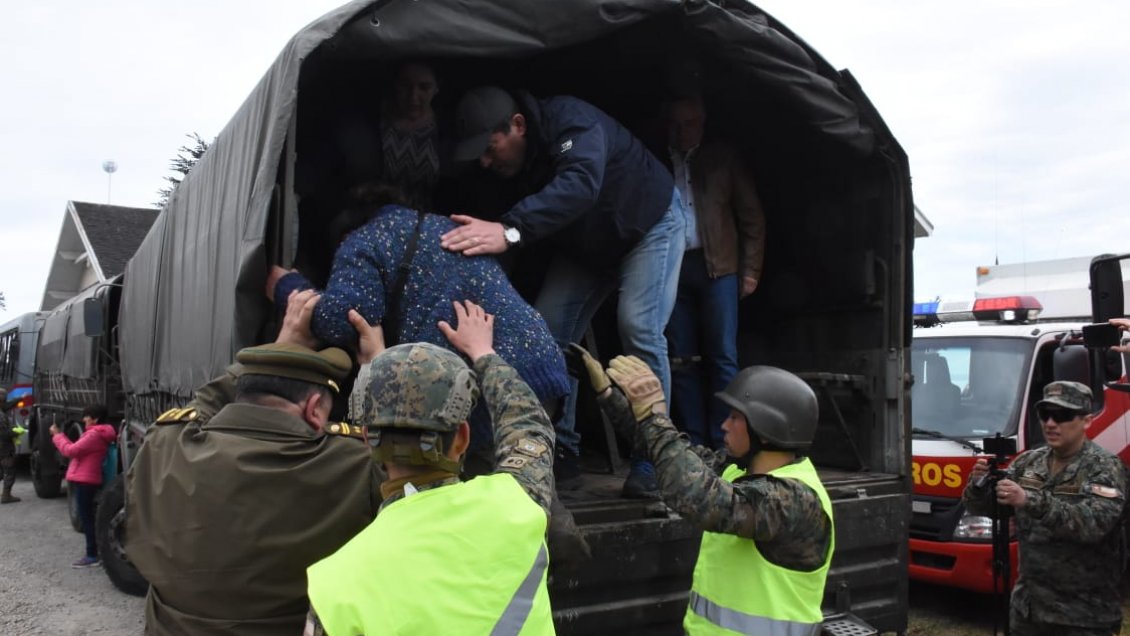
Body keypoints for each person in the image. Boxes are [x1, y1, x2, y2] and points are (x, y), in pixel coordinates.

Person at [443, 85, 686, 497]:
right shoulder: (510, 166)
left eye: (488, 149)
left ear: (518, 125)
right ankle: (562, 451)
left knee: (638, 327)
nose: (484, 162)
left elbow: (579, 185)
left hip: (648, 225)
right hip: (590, 244)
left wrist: (510, 230)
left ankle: (655, 458)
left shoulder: (573, 121)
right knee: (546, 327)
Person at [125, 290, 383, 636]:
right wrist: (377, 368)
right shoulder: (353, 466)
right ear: (313, 410)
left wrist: (279, 347)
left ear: (244, 391)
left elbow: (203, 403)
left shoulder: (164, 447)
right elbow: (403, 460)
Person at [304, 300, 557, 636]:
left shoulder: (334, 583)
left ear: (367, 438)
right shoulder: (517, 504)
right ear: (463, 437)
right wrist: (484, 354)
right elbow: (530, 425)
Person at [267, 186, 571, 458]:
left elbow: (343, 319)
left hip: (480, 395)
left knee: (480, 501)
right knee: (530, 485)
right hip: (542, 371)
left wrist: (288, 288)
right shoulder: (447, 228)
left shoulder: (365, 240)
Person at [567, 346, 834, 634]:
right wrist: (608, 395)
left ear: (765, 427)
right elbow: (670, 456)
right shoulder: (737, 470)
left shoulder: (794, 499)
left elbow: (694, 495)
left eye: (735, 418)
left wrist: (653, 414)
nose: (724, 425)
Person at [963, 381, 1128, 636]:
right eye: (1045, 415)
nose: (1051, 423)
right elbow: (990, 509)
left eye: (1062, 415)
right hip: (1029, 610)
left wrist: (1029, 500)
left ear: (1086, 421)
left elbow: (1094, 525)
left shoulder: (1105, 467)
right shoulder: (1030, 462)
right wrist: (979, 485)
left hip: (1083, 616)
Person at [663, 93, 766, 448]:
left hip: (719, 268)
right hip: (672, 268)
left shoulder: (722, 158)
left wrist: (750, 269)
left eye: (690, 123)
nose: (683, 131)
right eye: (677, 124)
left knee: (722, 355)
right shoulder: (661, 160)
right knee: (682, 359)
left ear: (703, 122)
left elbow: (751, 215)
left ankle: (723, 442)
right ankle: (692, 440)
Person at [50, 404, 117, 567]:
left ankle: (92, 555)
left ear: (95, 419)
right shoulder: (99, 434)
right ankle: (96, 552)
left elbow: (71, 451)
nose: (84, 419)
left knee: (87, 518)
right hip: (88, 478)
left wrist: (58, 436)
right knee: (90, 516)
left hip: (85, 480)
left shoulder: (94, 435)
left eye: (87, 416)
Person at [0, 387, 25, 504]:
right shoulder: (1, 415)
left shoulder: (1, 410)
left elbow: (7, 406)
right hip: (4, 448)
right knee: (9, 469)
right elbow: (4, 434)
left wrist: (19, 398)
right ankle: (6, 495)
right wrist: (16, 431)